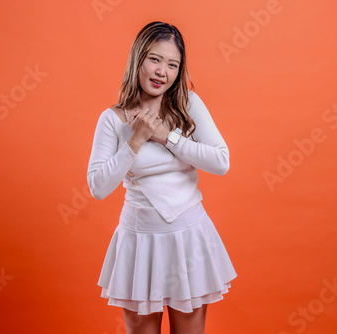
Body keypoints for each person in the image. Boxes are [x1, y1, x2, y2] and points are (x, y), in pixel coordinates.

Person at [87, 21, 237, 334]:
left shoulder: (187, 105)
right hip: (138, 242)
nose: (162, 72)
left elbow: (221, 161)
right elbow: (98, 187)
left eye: (172, 64)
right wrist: (135, 140)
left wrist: (168, 137)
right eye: (155, 59)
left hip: (189, 238)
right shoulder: (112, 120)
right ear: (138, 59)